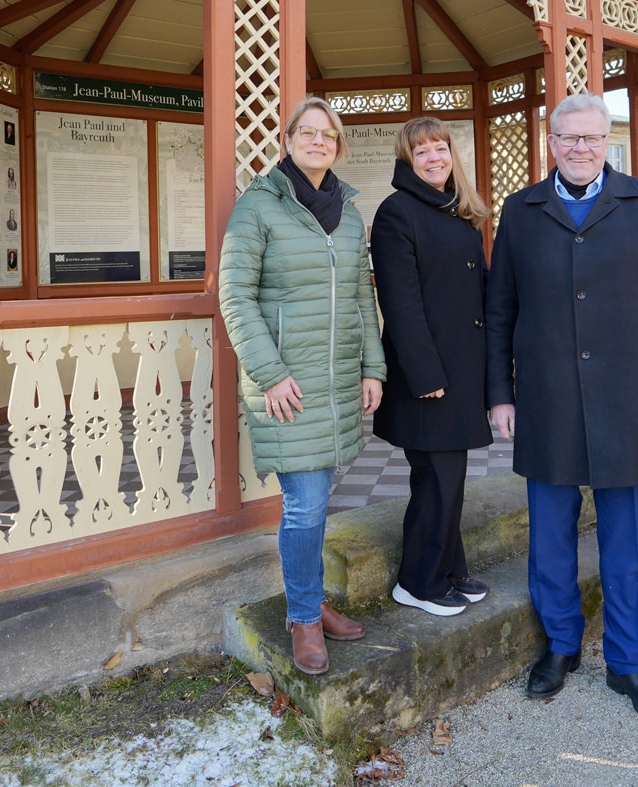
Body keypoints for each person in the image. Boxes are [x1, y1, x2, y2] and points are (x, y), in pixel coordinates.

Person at [486, 93, 638, 724]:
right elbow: (500, 311)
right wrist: (501, 392)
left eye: (591, 138)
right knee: (549, 538)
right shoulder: (521, 211)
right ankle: (560, 648)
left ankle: (628, 665)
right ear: (550, 143)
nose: (579, 148)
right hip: (547, 400)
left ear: (609, 141)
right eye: (566, 138)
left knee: (628, 544)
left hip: (629, 402)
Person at [219, 97, 386, 676]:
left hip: (338, 377)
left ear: (338, 145)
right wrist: (269, 373)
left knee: (319, 503)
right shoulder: (259, 206)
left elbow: (364, 298)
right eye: (307, 133)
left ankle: (311, 602)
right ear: (286, 140)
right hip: (286, 383)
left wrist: (373, 367)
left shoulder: (349, 210)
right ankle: (303, 618)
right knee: (306, 502)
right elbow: (235, 296)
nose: (318, 142)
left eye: (328, 135)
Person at [371, 117, 494, 617]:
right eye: (421, 152)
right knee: (437, 479)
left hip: (461, 371)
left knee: (449, 477)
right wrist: (426, 377)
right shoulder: (396, 212)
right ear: (408, 160)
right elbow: (400, 303)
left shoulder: (459, 211)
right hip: (428, 377)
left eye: (440, 148)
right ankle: (417, 582)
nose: (434, 158)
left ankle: (448, 569)